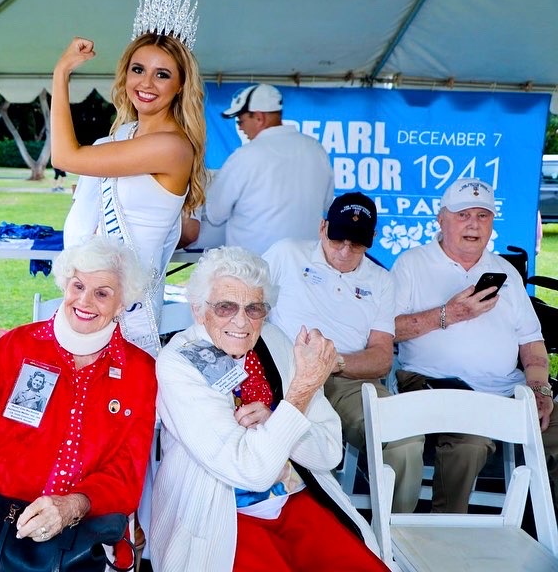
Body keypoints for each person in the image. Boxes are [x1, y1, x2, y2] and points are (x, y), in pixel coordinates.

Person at [150, 246, 387, 570]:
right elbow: (251, 471)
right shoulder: (180, 362)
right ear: (198, 310)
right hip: (222, 515)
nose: (241, 321)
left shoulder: (274, 341)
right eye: (225, 307)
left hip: (295, 497)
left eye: (254, 308)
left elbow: (330, 451)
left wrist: (277, 419)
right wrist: (298, 398)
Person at [0, 236, 157, 572]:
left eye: (102, 293)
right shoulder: (20, 345)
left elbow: (127, 473)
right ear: (65, 285)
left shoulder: (139, 371)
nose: (85, 300)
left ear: (122, 303)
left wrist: (71, 506)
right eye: (78, 285)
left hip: (84, 540)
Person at [53, 0, 207, 358]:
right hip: (88, 297)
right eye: (138, 69)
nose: (147, 83)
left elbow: (66, 157)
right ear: (125, 74)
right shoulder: (123, 134)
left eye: (163, 74)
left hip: (128, 313)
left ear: (180, 85)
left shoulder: (172, 148)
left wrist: (61, 73)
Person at [392, 177, 558, 514]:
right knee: (471, 441)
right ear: (441, 219)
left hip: (504, 389)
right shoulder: (412, 264)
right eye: (463, 214)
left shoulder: (504, 272)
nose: (473, 224)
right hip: (434, 384)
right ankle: (444, 533)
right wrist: (449, 313)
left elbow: (532, 340)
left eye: (482, 216)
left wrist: (539, 387)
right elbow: (386, 331)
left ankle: (546, 529)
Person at [263, 191, 424, 513]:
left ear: (373, 239)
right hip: (284, 374)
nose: (345, 251)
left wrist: (329, 362)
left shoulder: (380, 280)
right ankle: (294, 522)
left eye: (357, 244)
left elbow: (381, 357)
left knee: (406, 439)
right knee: (284, 437)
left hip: (346, 378)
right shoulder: (286, 254)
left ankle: (394, 535)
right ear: (322, 228)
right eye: (338, 240)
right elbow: (251, 307)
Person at [204, 83, 334, 255]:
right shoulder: (316, 150)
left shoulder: (245, 156)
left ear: (259, 118)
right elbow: (327, 203)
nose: (240, 127)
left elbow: (215, 213)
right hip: (304, 269)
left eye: (240, 121)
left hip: (254, 270)